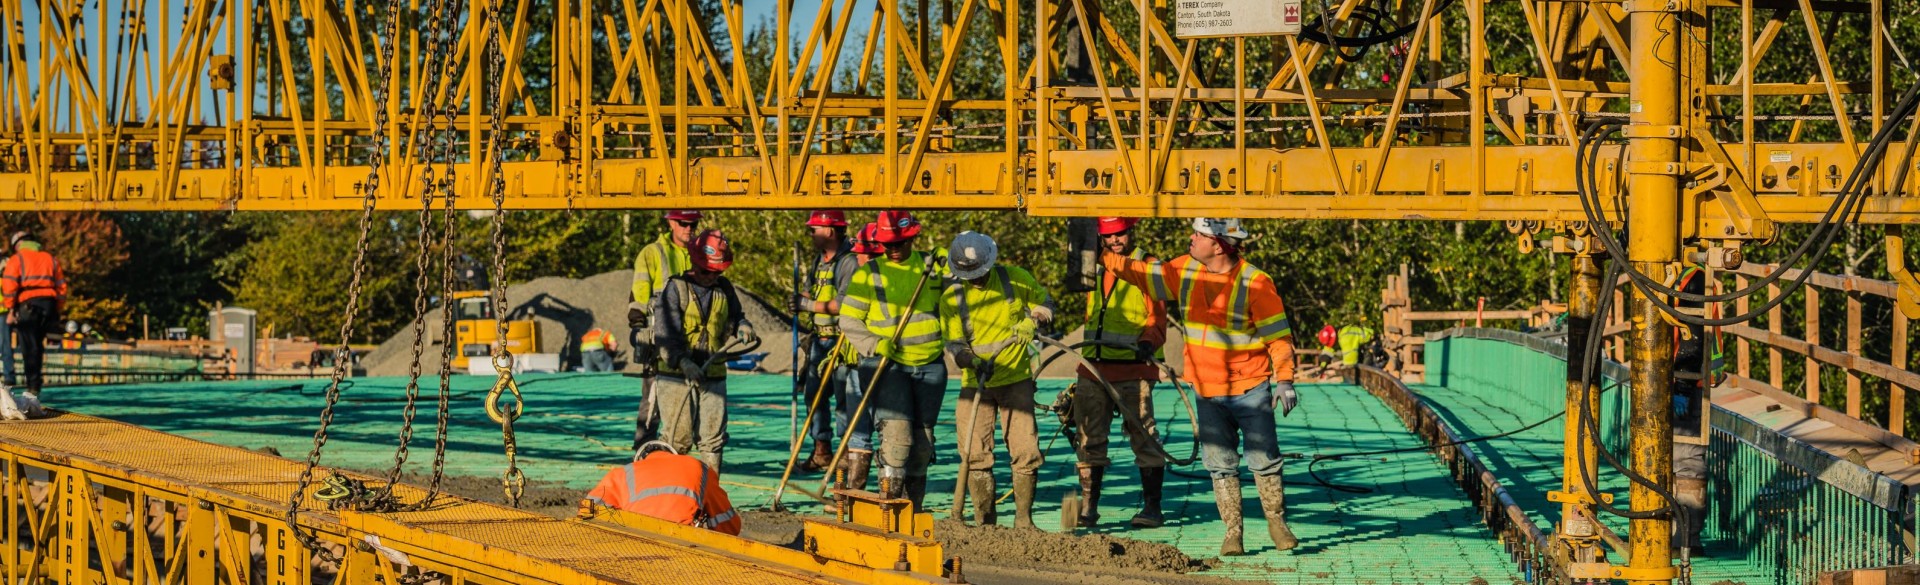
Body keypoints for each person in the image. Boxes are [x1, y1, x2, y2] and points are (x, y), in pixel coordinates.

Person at [1100, 217, 1299, 555]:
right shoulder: (1185, 269)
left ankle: (1277, 523)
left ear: (1218, 245)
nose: (1191, 239)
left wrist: (1285, 380)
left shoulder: (1255, 283)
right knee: (1220, 464)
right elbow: (1143, 274)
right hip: (1207, 390)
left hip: (1250, 388)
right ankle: (1233, 534)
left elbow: (1278, 337)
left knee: (1264, 459)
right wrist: (1104, 256)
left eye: (1199, 234)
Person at [941, 231, 1054, 528]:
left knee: (1026, 449)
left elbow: (1045, 302)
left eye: (979, 272)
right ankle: (985, 524)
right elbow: (954, 344)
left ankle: (1024, 521)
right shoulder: (952, 298)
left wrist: (1034, 319)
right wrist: (972, 361)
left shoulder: (1015, 278)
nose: (976, 279)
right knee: (974, 452)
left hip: (1016, 379)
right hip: (975, 383)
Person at [838, 211, 946, 507]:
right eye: (887, 244)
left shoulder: (932, 268)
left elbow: (964, 295)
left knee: (922, 445)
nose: (893, 249)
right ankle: (889, 508)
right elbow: (848, 319)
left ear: (912, 238)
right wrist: (875, 344)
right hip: (887, 366)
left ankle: (913, 510)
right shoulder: (869, 274)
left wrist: (953, 263)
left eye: (899, 243)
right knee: (897, 442)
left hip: (930, 366)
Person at [1072, 217, 1171, 529]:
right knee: (1088, 438)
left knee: (1144, 437)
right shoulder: (1094, 263)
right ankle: (1088, 507)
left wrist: (1148, 341)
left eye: (1120, 234)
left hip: (1133, 368)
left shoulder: (1149, 266)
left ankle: (1152, 508)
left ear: (1131, 232)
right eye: (1108, 235)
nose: (1115, 240)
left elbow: (1157, 318)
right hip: (1093, 367)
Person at [650, 230, 753, 472]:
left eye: (717, 272)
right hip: (676, 376)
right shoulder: (676, 289)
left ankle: (710, 490)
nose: (711, 277)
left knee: (713, 439)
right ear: (695, 263)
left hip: (713, 374)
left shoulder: (724, 288)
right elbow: (665, 334)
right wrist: (683, 362)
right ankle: (669, 488)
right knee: (678, 438)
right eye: (707, 271)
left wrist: (743, 325)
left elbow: (736, 315)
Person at [791, 210, 861, 473]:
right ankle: (822, 450)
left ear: (830, 231)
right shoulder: (819, 260)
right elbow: (811, 289)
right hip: (819, 341)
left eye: (814, 229)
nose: (810, 234)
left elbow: (843, 303)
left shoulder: (849, 262)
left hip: (841, 342)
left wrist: (807, 305)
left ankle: (846, 455)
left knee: (844, 399)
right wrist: (800, 299)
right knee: (814, 396)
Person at [629, 210, 702, 448]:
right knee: (653, 398)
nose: (689, 229)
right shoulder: (653, 253)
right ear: (671, 223)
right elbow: (639, 292)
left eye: (693, 224)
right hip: (660, 339)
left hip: (693, 340)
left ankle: (682, 450)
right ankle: (644, 448)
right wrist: (637, 325)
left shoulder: (700, 253)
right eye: (683, 223)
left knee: (696, 399)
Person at [585, 441, 742, 535]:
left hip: (636, 541)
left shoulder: (624, 473)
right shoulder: (698, 469)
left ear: (640, 460)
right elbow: (730, 527)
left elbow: (587, 511)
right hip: (683, 542)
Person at [832, 222, 884, 494]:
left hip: (883, 362)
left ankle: (888, 493)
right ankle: (853, 492)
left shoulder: (884, 280)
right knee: (856, 427)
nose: (859, 258)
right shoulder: (859, 278)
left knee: (884, 428)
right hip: (856, 361)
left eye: (863, 253)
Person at [2, 231, 63, 415]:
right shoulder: (50, 258)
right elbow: (61, 286)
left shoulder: (17, 259)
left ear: (18, 245)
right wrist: (57, 309)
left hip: (28, 305)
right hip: (48, 305)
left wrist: (10, 308)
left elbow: (9, 285)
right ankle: (35, 383)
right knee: (38, 344)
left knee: (28, 345)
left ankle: (32, 385)